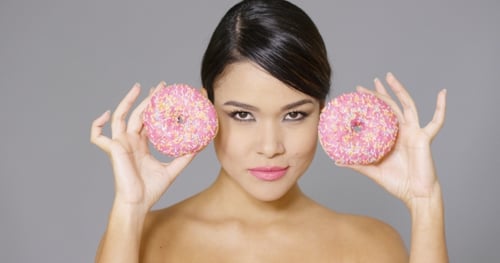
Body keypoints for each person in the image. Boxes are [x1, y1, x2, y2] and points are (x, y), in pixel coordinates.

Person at [90, 0, 448, 262]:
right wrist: (129, 209)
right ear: (205, 109)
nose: (270, 146)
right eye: (243, 115)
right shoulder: (142, 237)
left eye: (294, 115)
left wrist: (426, 203)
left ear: (323, 112)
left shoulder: (373, 245)